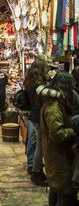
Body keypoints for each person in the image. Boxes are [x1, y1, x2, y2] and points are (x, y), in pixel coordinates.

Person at [40, 72, 77, 206]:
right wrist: (73, 130)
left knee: (56, 188)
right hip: (58, 155)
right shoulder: (53, 106)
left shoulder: (54, 102)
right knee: (63, 189)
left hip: (56, 154)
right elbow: (57, 134)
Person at [24, 59, 49, 186]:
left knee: (36, 143)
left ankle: (36, 169)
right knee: (40, 145)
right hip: (38, 115)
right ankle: (36, 171)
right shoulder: (38, 85)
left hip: (34, 114)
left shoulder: (30, 81)